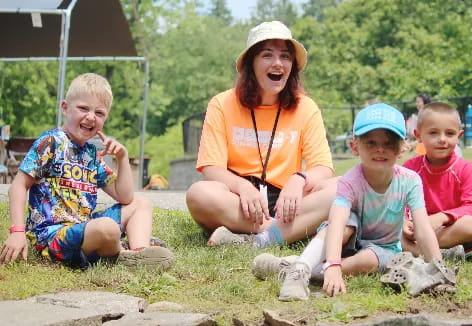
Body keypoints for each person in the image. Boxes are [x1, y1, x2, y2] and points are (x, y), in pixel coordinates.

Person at [253, 103, 443, 301]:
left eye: (389, 143)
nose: (380, 149)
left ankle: (303, 266)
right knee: (346, 223)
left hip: (384, 248)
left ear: (402, 148)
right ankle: (299, 271)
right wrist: (333, 263)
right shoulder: (350, 182)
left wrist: (437, 266)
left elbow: (422, 228)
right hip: (347, 241)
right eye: (370, 142)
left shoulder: (410, 181)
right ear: (355, 146)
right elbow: (337, 223)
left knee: (368, 259)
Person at [186, 21, 336, 248]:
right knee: (199, 194)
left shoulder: (306, 107)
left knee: (342, 187)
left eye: (285, 57)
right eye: (267, 55)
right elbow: (211, 168)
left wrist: (299, 179)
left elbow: (323, 168)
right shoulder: (222, 103)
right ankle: (283, 233)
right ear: (251, 64)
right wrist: (243, 187)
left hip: (288, 201)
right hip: (238, 200)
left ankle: (255, 238)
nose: (278, 64)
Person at [0, 73, 173, 269]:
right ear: (65, 108)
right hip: (53, 236)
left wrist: (122, 158)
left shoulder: (91, 154)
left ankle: (139, 252)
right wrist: (17, 231)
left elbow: (125, 197)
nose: (90, 117)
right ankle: (121, 252)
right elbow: (18, 185)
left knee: (141, 203)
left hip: (87, 228)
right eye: (83, 108)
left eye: (99, 113)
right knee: (106, 227)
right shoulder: (50, 143)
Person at [401, 102, 472, 261]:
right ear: (418, 135)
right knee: (391, 228)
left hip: (451, 230)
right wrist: (404, 222)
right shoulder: (409, 169)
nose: (442, 139)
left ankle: (420, 251)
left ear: (459, 136)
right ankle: (434, 254)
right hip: (418, 230)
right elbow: (399, 202)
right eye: (433, 133)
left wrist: (441, 218)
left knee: (469, 225)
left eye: (450, 133)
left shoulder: (465, 168)